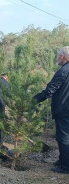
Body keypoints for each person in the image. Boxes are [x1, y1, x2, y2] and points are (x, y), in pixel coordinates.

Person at [33, 46, 69, 174]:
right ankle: (63, 160)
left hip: (64, 110)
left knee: (63, 137)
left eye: (58, 55)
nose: (57, 58)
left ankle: (65, 166)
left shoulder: (63, 71)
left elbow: (50, 90)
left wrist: (32, 100)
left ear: (63, 56)